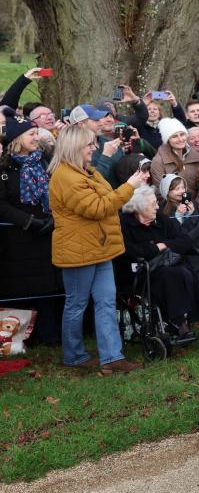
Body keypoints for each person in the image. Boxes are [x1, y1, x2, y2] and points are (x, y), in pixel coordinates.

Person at [48, 124, 150, 373]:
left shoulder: (88, 172)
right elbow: (97, 208)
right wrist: (130, 186)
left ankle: (112, 357)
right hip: (78, 252)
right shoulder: (66, 177)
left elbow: (106, 200)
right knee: (77, 304)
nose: (94, 148)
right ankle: (74, 356)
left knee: (105, 302)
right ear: (75, 147)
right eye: (89, 145)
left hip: (101, 248)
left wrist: (125, 189)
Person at [119, 186, 199, 339]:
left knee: (189, 271)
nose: (157, 206)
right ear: (140, 207)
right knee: (172, 274)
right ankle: (179, 322)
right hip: (141, 274)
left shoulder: (162, 219)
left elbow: (185, 241)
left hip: (167, 266)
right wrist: (159, 246)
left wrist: (163, 245)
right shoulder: (125, 224)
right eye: (153, 204)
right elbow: (131, 252)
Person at [0, 116, 61, 344]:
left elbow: (55, 192)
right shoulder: (5, 168)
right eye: (31, 134)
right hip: (17, 238)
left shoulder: (44, 162)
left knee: (46, 287)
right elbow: (2, 204)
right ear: (17, 138)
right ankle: (15, 340)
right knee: (19, 289)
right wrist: (27, 220)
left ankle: (50, 337)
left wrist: (52, 217)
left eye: (37, 133)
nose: (37, 138)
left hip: (45, 233)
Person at [150, 118, 199, 210]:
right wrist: (179, 209)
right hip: (173, 212)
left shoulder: (197, 157)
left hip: (196, 210)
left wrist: (196, 207)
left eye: (182, 134)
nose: (180, 139)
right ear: (167, 139)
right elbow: (160, 191)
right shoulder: (159, 161)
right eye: (174, 136)